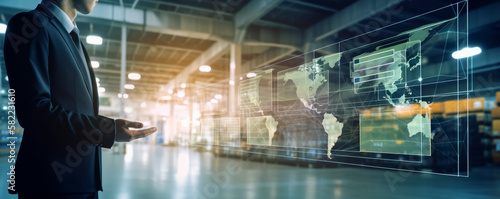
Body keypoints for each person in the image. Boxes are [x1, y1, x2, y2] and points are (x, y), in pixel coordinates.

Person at [3, 0, 157, 198]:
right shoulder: (31, 25)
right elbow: (36, 112)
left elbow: (77, 110)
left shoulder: (73, 39)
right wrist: (105, 130)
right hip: (51, 184)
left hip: (83, 182)